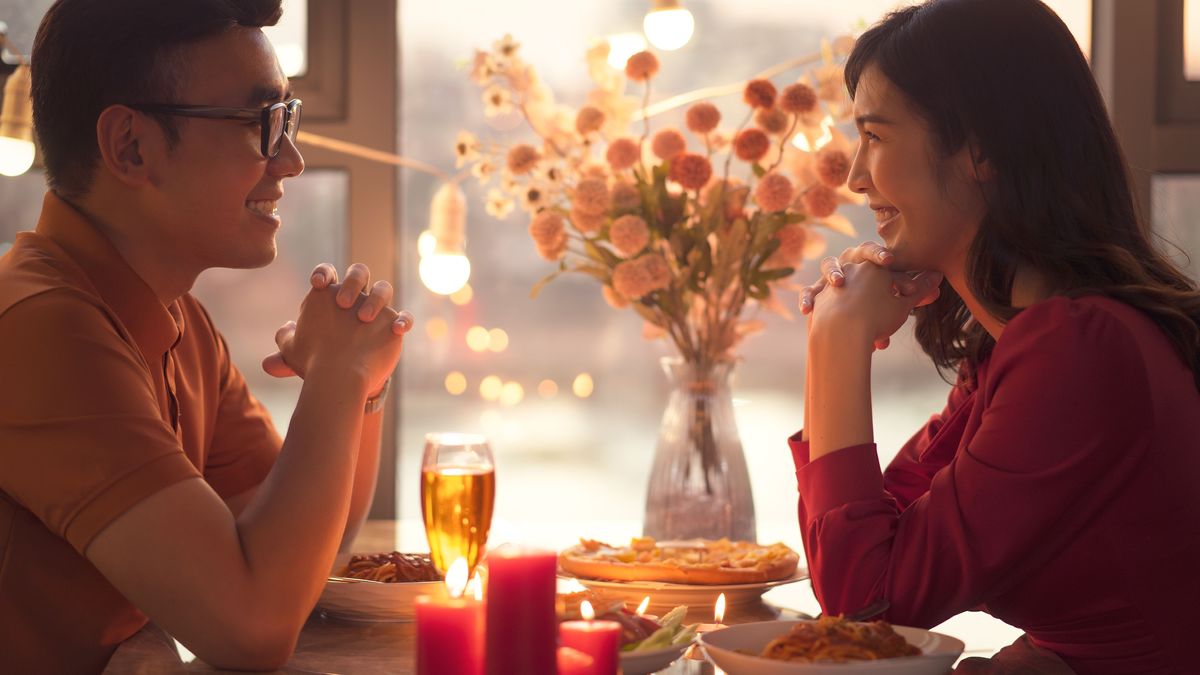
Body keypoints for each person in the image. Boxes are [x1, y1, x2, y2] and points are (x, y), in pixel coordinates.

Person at [0, 1, 413, 671]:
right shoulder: (41, 328)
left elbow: (305, 555)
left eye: (288, 119)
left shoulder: (178, 322)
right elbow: (252, 627)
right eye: (260, 124)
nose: (291, 161)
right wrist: (336, 375)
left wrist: (359, 384)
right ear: (131, 145)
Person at [791, 0, 1200, 672]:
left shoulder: (1078, 350)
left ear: (981, 146)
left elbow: (868, 602)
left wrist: (835, 345)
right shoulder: (1018, 347)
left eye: (876, 135)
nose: (856, 176)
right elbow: (870, 542)